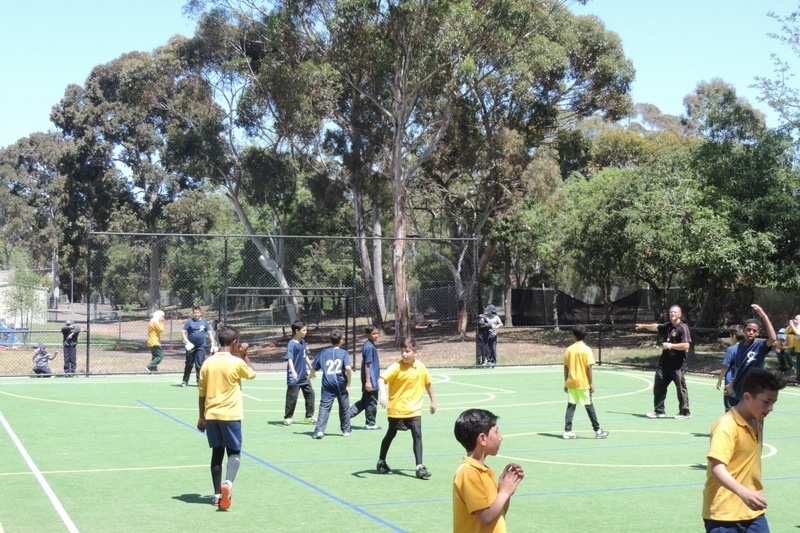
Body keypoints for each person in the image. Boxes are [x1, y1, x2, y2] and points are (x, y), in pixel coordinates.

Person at [702, 368, 786, 532]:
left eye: (773, 403)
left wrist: (750, 495)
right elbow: (717, 469)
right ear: (747, 397)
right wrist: (744, 493)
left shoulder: (758, 420)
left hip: (753, 512)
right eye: (766, 402)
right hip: (724, 514)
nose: (770, 408)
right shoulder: (726, 425)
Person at [197, 325, 256, 510]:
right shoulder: (236, 362)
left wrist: (201, 417)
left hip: (212, 415)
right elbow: (252, 374)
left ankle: (216, 494)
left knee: (216, 453)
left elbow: (202, 393)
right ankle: (228, 484)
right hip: (230, 415)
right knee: (234, 452)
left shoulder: (208, 363)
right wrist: (244, 356)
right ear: (235, 343)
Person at [453, 409, 525, 533]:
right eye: (496, 432)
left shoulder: (484, 471)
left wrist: (506, 489)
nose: (500, 438)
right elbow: (485, 518)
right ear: (482, 439)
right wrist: (504, 492)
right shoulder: (468, 471)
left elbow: (499, 513)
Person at [376, 338, 437, 479]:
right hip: (397, 409)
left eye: (407, 351)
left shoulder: (421, 367)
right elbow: (381, 379)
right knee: (391, 434)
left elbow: (428, 384)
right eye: (402, 351)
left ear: (415, 353)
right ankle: (381, 462)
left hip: (414, 409)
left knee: (417, 434)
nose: (404, 354)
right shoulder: (396, 367)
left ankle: (419, 467)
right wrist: (383, 394)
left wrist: (433, 401)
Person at [636, 305, 692, 419]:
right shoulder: (668, 326)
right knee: (658, 387)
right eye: (671, 312)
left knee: (680, 388)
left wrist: (670, 345)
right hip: (664, 364)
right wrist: (643, 326)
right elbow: (655, 326)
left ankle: (685, 412)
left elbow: (686, 345)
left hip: (677, 365)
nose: (672, 314)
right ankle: (659, 411)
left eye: (675, 312)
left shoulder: (683, 328)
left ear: (680, 314)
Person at [562, 325, 609, 439]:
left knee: (571, 406)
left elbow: (566, 367)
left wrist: (566, 382)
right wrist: (591, 383)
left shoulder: (569, 349)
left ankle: (567, 431)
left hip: (572, 382)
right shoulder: (586, 349)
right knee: (589, 406)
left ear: (573, 336)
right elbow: (589, 368)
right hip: (583, 383)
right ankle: (597, 430)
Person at [724, 304, 777, 407]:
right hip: (740, 390)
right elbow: (739, 368)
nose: (751, 332)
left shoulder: (760, 346)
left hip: (756, 390)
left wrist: (763, 315)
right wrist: (731, 384)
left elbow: (773, 338)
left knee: (754, 421)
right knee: (738, 421)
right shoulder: (738, 348)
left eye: (754, 331)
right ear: (743, 330)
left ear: (758, 333)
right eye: (748, 329)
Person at [310, 329, 352, 439]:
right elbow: (348, 368)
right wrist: (349, 383)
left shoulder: (323, 353)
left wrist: (311, 374)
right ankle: (346, 430)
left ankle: (320, 430)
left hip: (327, 383)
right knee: (344, 406)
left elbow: (314, 367)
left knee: (324, 406)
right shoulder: (344, 353)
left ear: (330, 340)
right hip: (340, 383)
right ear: (342, 340)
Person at [348, 325, 382, 430]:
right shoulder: (369, 347)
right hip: (371, 379)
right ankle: (370, 423)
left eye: (377, 333)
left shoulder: (369, 345)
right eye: (373, 334)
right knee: (371, 401)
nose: (376, 335)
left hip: (371, 378)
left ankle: (346, 415)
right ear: (368, 334)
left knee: (364, 401)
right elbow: (368, 365)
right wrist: (368, 381)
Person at [283, 321, 316, 426]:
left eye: (306, 330)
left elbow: (305, 356)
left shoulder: (303, 342)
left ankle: (308, 417)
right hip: (294, 376)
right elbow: (290, 359)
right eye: (304, 330)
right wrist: (293, 372)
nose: (306, 332)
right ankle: (288, 417)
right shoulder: (291, 344)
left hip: (304, 375)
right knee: (292, 397)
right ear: (297, 331)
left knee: (310, 394)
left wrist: (311, 368)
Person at [181, 307, 215, 387]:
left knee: (199, 364)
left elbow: (209, 333)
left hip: (201, 346)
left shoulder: (204, 322)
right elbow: (183, 332)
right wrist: (187, 341)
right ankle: (185, 381)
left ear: (200, 313)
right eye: (195, 313)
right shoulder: (189, 322)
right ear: (193, 313)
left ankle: (199, 380)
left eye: (197, 313)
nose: (196, 314)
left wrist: (213, 343)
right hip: (191, 346)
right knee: (189, 364)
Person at [716, 325, 744, 412]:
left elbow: (725, 366)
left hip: (731, 382)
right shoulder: (747, 348)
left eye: (730, 336)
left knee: (729, 408)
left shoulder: (731, 349)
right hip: (743, 382)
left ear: (734, 336)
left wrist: (720, 379)